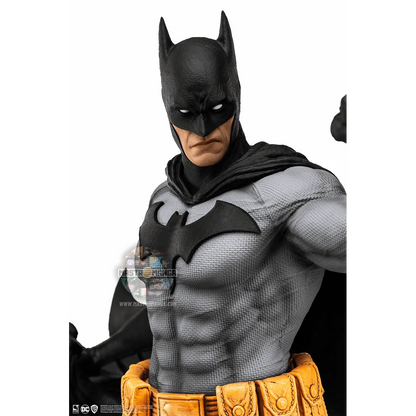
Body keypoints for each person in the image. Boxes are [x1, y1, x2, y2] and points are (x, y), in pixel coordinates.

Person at [67, 11, 349, 416]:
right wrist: (93, 358)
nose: (202, 130)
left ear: (236, 96)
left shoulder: (287, 191)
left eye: (217, 109)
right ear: (167, 107)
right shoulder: (163, 201)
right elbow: (164, 309)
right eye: (185, 114)